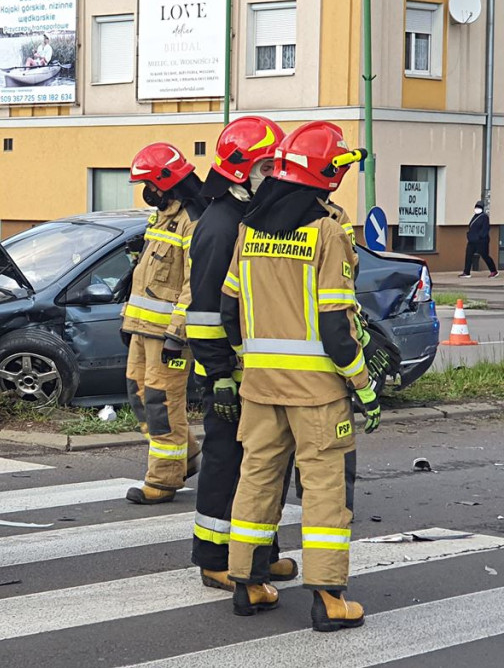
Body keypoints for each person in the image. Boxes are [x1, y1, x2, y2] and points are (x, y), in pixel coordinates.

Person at [220, 121, 381, 632]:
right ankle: (329, 598)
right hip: (317, 395)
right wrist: (364, 386)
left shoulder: (249, 229)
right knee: (324, 490)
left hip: (260, 388)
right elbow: (337, 328)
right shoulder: (327, 233)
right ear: (326, 177)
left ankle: (248, 584)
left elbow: (229, 312)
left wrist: (252, 360)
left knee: (256, 480)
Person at [187, 116, 299, 592]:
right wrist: (220, 378)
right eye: (266, 165)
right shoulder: (220, 226)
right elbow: (206, 313)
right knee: (226, 462)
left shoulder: (247, 217)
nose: (273, 173)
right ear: (239, 169)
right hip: (227, 375)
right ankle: (215, 557)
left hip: (253, 372)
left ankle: (258, 552)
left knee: (262, 465)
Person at [123, 143, 206, 505]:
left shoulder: (192, 220)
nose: (147, 191)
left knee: (161, 402)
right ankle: (185, 456)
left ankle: (163, 479)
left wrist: (178, 332)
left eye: (149, 184)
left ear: (166, 181)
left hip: (168, 336)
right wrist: (129, 320)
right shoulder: (163, 216)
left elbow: (194, 283)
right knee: (139, 396)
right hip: (143, 329)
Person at [460, 200, 498, 278]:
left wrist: (479, 237)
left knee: (485, 256)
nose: (477, 209)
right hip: (472, 241)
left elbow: (485, 229)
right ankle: (466, 272)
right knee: (468, 255)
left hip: (481, 241)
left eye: (479, 207)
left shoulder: (484, 217)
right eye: (476, 207)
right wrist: (469, 236)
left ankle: (493, 271)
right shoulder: (475, 217)